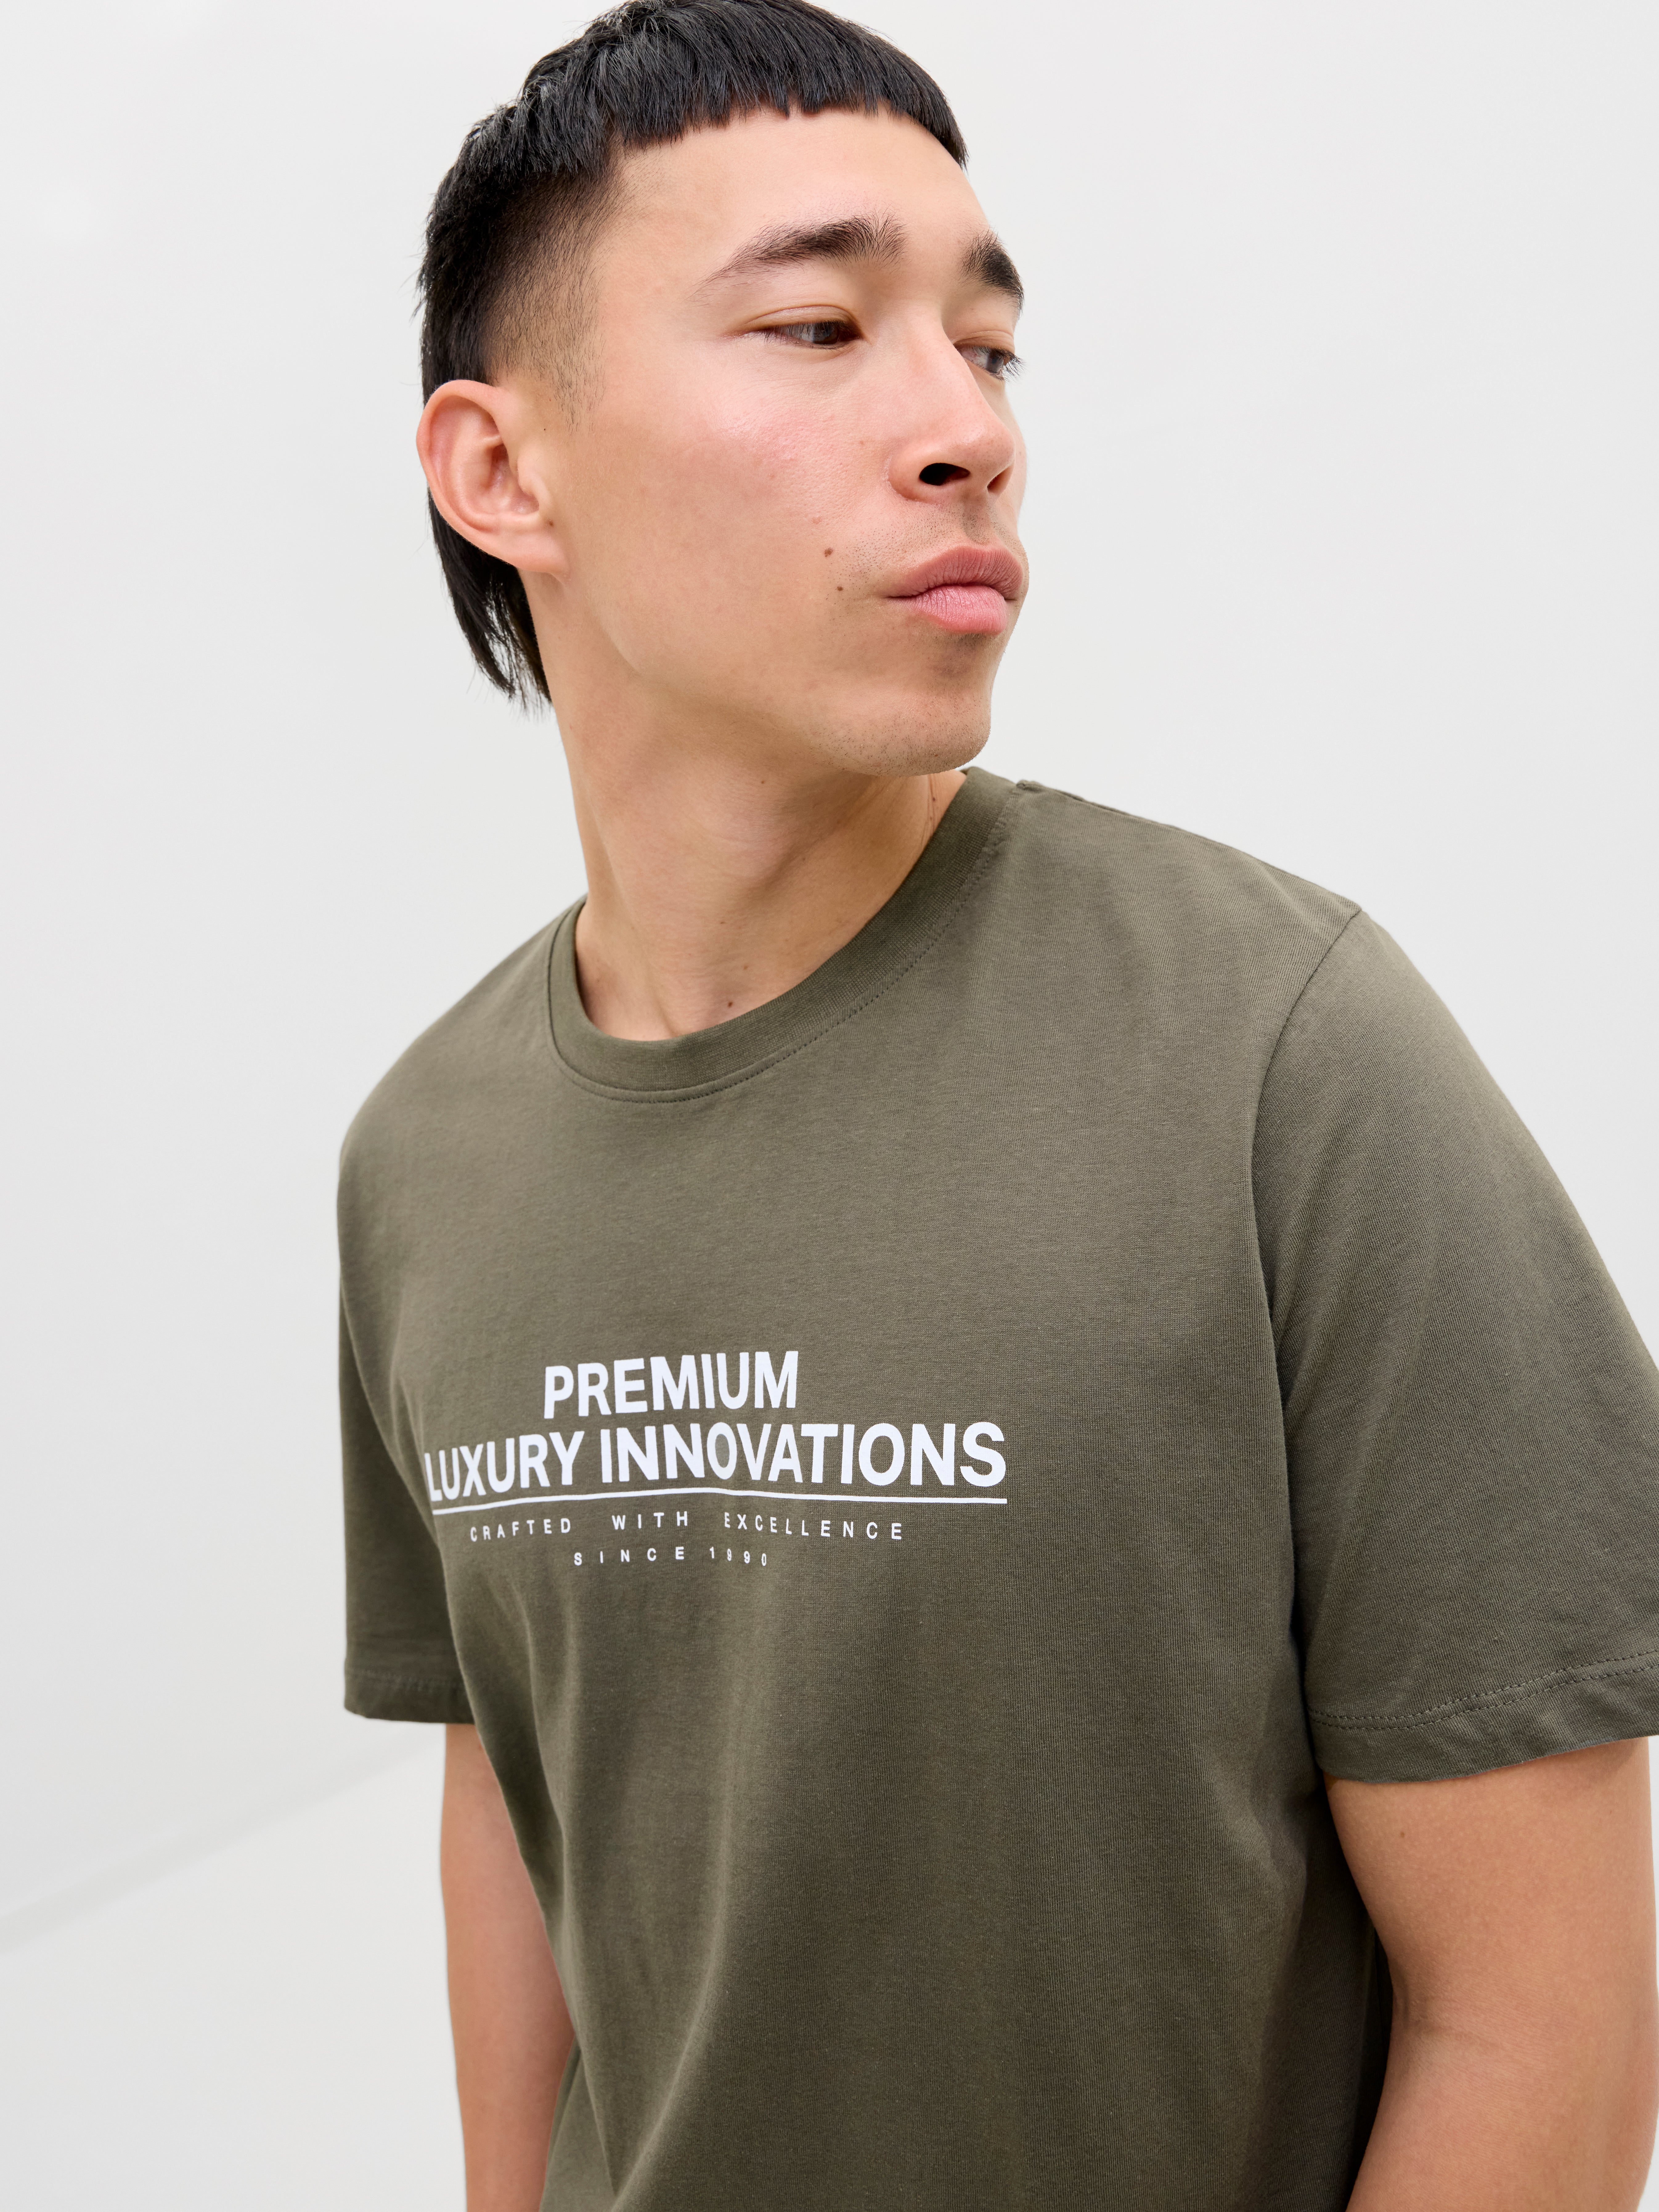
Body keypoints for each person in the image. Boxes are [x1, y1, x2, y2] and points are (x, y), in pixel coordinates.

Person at [337, 3, 1659, 2206]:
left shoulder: (1281, 1051)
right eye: (819, 328)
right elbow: (529, 1816)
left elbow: (1542, 2017)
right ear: (501, 472)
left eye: (988, 348)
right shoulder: (425, 1160)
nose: (965, 431)